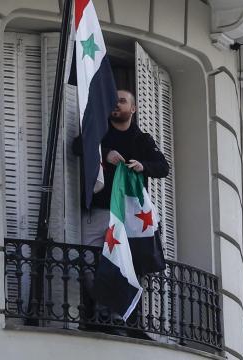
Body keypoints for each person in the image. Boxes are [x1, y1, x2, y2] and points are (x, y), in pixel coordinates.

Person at [75, 89, 169, 337]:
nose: (116, 104)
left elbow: (162, 167)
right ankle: (97, 310)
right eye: (114, 100)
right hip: (98, 210)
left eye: (122, 100)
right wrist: (103, 153)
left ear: (133, 109)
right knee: (88, 260)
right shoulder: (100, 132)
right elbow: (77, 145)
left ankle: (122, 317)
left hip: (127, 215)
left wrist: (142, 166)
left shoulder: (142, 140)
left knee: (127, 264)